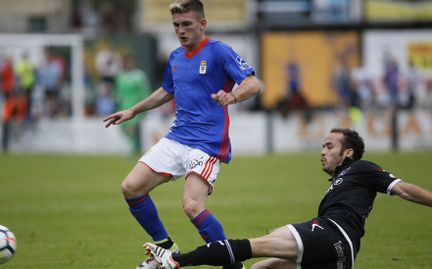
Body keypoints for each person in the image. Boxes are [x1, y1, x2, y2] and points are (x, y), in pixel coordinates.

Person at [103, 1, 262, 269]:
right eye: (176, 25)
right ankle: (166, 246)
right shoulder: (176, 57)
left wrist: (232, 95)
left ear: (202, 24)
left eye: (186, 24)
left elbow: (253, 83)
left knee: (191, 206)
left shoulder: (219, 52)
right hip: (177, 138)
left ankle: (233, 265)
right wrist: (133, 110)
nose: (181, 30)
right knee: (131, 188)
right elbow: (167, 91)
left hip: (207, 144)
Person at [144, 128, 432, 269]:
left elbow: (403, 188)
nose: (322, 151)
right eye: (322, 146)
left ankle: (175, 260)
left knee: (250, 247)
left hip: (331, 234)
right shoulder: (341, 181)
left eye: (329, 146)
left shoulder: (363, 169)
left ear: (349, 153)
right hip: (342, 257)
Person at [114, 53, 150, 156]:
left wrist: (145, 105)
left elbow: (144, 91)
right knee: (125, 129)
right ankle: (135, 147)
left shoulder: (139, 75)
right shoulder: (120, 76)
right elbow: (117, 92)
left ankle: (133, 150)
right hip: (123, 106)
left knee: (133, 129)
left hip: (136, 106)